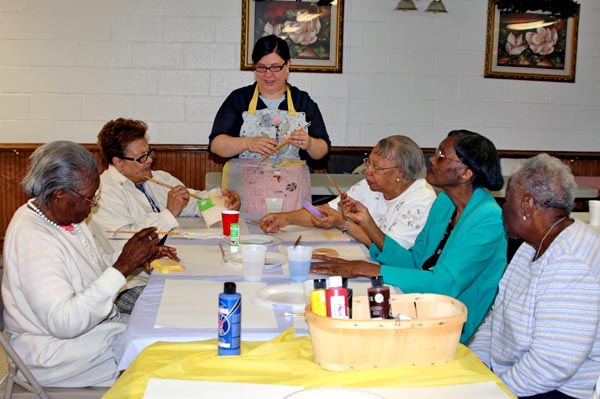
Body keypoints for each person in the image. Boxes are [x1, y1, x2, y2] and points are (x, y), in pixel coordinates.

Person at [1, 141, 177, 387]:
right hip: (57, 353)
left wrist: (134, 256)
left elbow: (91, 267)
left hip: (92, 332)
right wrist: (123, 267)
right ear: (59, 194)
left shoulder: (65, 217)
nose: (93, 204)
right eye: (88, 198)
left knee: (168, 333)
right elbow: (65, 322)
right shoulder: (34, 237)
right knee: (167, 362)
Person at [311, 130, 507, 344]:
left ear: (465, 174)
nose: (432, 159)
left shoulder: (488, 219)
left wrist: (366, 269)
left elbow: (444, 284)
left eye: (441, 156)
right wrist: (368, 222)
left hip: (451, 324)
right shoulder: (445, 204)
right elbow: (414, 262)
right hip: (419, 304)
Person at [469, 154, 600, 399]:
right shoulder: (532, 246)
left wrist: (492, 391)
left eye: (507, 200)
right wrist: (475, 367)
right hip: (517, 378)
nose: (503, 208)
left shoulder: (569, 263)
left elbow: (551, 365)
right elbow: (497, 317)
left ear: (527, 205)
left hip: (556, 390)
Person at [209, 34, 331, 212]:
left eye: (275, 67)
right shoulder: (239, 99)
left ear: (287, 65)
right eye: (261, 67)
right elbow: (216, 145)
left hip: (291, 199)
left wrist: (310, 143)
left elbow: (323, 151)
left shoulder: (302, 101)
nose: (268, 74)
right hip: (245, 198)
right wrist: (247, 143)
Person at [88, 118, 240, 252]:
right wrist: (169, 213)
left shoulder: (159, 178)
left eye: (149, 152)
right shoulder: (103, 193)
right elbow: (123, 245)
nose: (149, 160)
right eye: (142, 157)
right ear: (118, 163)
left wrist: (223, 200)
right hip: (136, 277)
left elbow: (195, 202)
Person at [260, 135, 437, 249]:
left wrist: (344, 224)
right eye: (369, 163)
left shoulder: (420, 197)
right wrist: (285, 218)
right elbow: (327, 211)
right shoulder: (369, 186)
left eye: (376, 167)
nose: (368, 171)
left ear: (401, 173)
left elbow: (391, 251)